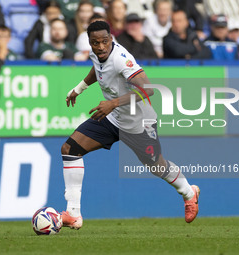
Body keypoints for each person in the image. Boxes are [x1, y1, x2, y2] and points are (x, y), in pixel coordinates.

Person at [60, 20, 200, 229]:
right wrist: (79, 88)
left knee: (156, 165)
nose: (100, 47)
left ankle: (189, 192)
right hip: (113, 117)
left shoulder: (121, 59)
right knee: (70, 149)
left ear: (111, 39)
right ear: (90, 42)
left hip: (139, 122)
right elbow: (98, 71)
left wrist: (113, 103)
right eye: (95, 43)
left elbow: (148, 89)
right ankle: (73, 214)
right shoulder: (97, 53)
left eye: (104, 42)